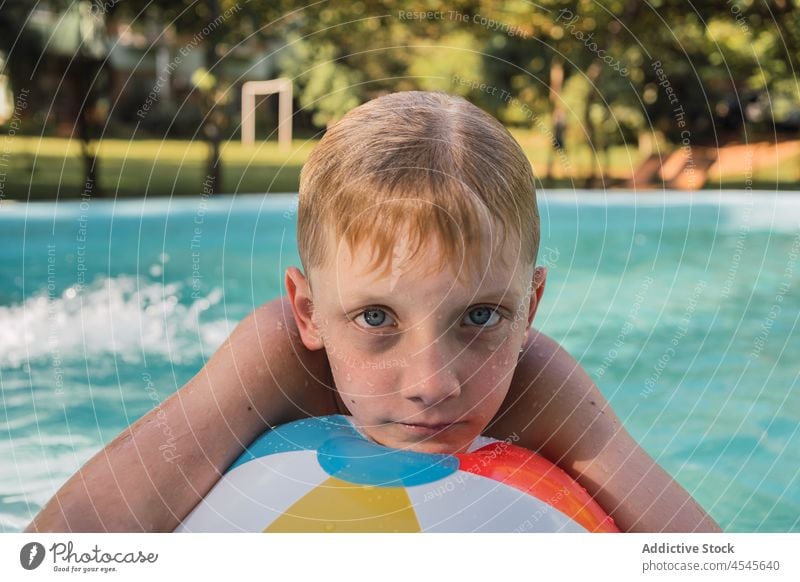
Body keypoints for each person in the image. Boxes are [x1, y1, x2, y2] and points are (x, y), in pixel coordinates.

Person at [27, 91, 721, 533]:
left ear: (531, 307)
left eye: (480, 318)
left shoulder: (540, 382)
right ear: (308, 311)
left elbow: (695, 551)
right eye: (375, 319)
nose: (432, 382)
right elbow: (85, 527)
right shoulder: (274, 359)